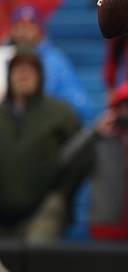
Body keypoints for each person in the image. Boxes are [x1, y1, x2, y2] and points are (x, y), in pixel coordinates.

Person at [0, 49, 82, 240]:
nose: (24, 75)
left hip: (43, 208)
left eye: (30, 70)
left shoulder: (60, 113)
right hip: (2, 210)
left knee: (37, 260)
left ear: (40, 76)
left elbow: (81, 156)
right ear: (9, 75)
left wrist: (61, 194)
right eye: (18, 70)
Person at [67, 79, 128, 240]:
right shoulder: (100, 141)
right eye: (122, 108)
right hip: (103, 228)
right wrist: (94, 132)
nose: (126, 113)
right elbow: (68, 161)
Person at [0, 5, 92, 121]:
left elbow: (81, 107)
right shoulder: (3, 57)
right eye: (20, 25)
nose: (24, 31)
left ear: (40, 30)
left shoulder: (55, 61)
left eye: (30, 26)